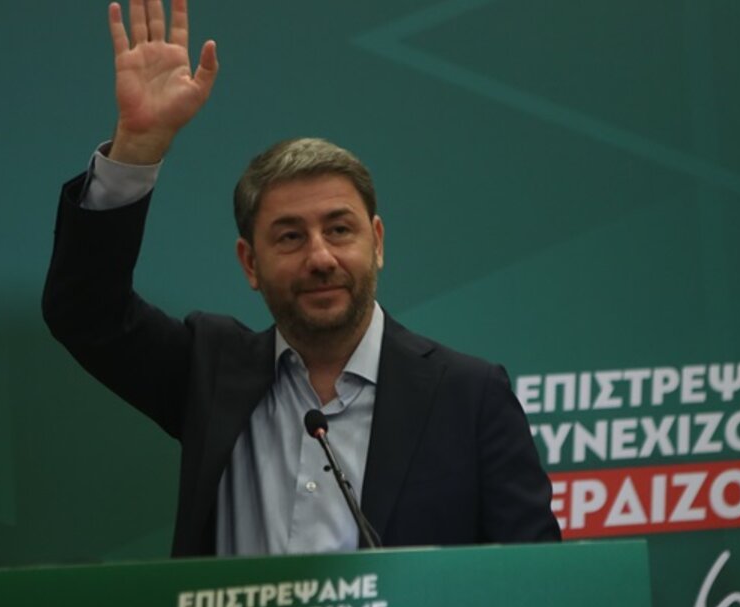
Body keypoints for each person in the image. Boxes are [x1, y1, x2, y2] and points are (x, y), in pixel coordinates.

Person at [42, 0, 561, 557]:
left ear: (377, 242)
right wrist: (137, 150)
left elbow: (533, 581)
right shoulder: (210, 373)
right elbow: (86, 311)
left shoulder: (468, 396)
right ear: (250, 263)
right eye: (290, 236)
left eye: (339, 230)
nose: (320, 257)